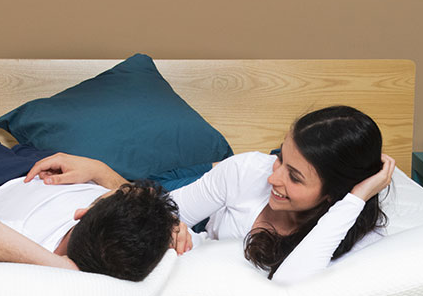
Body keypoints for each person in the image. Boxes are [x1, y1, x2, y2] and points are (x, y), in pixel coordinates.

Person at [24, 106, 396, 284]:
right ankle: (104, 171)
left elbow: (291, 281)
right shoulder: (250, 172)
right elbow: (168, 209)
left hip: (222, 197)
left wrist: (355, 199)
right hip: (210, 196)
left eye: (294, 177)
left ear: (333, 195)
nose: (274, 178)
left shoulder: (352, 229)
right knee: (151, 189)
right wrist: (168, 222)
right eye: (280, 158)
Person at [0, 80, 180, 282]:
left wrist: (56, 265)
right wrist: (98, 171)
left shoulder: (21, 238)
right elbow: (143, 200)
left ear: (81, 213)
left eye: (110, 193)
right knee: (26, 149)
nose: (123, 188)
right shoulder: (134, 240)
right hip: (60, 173)